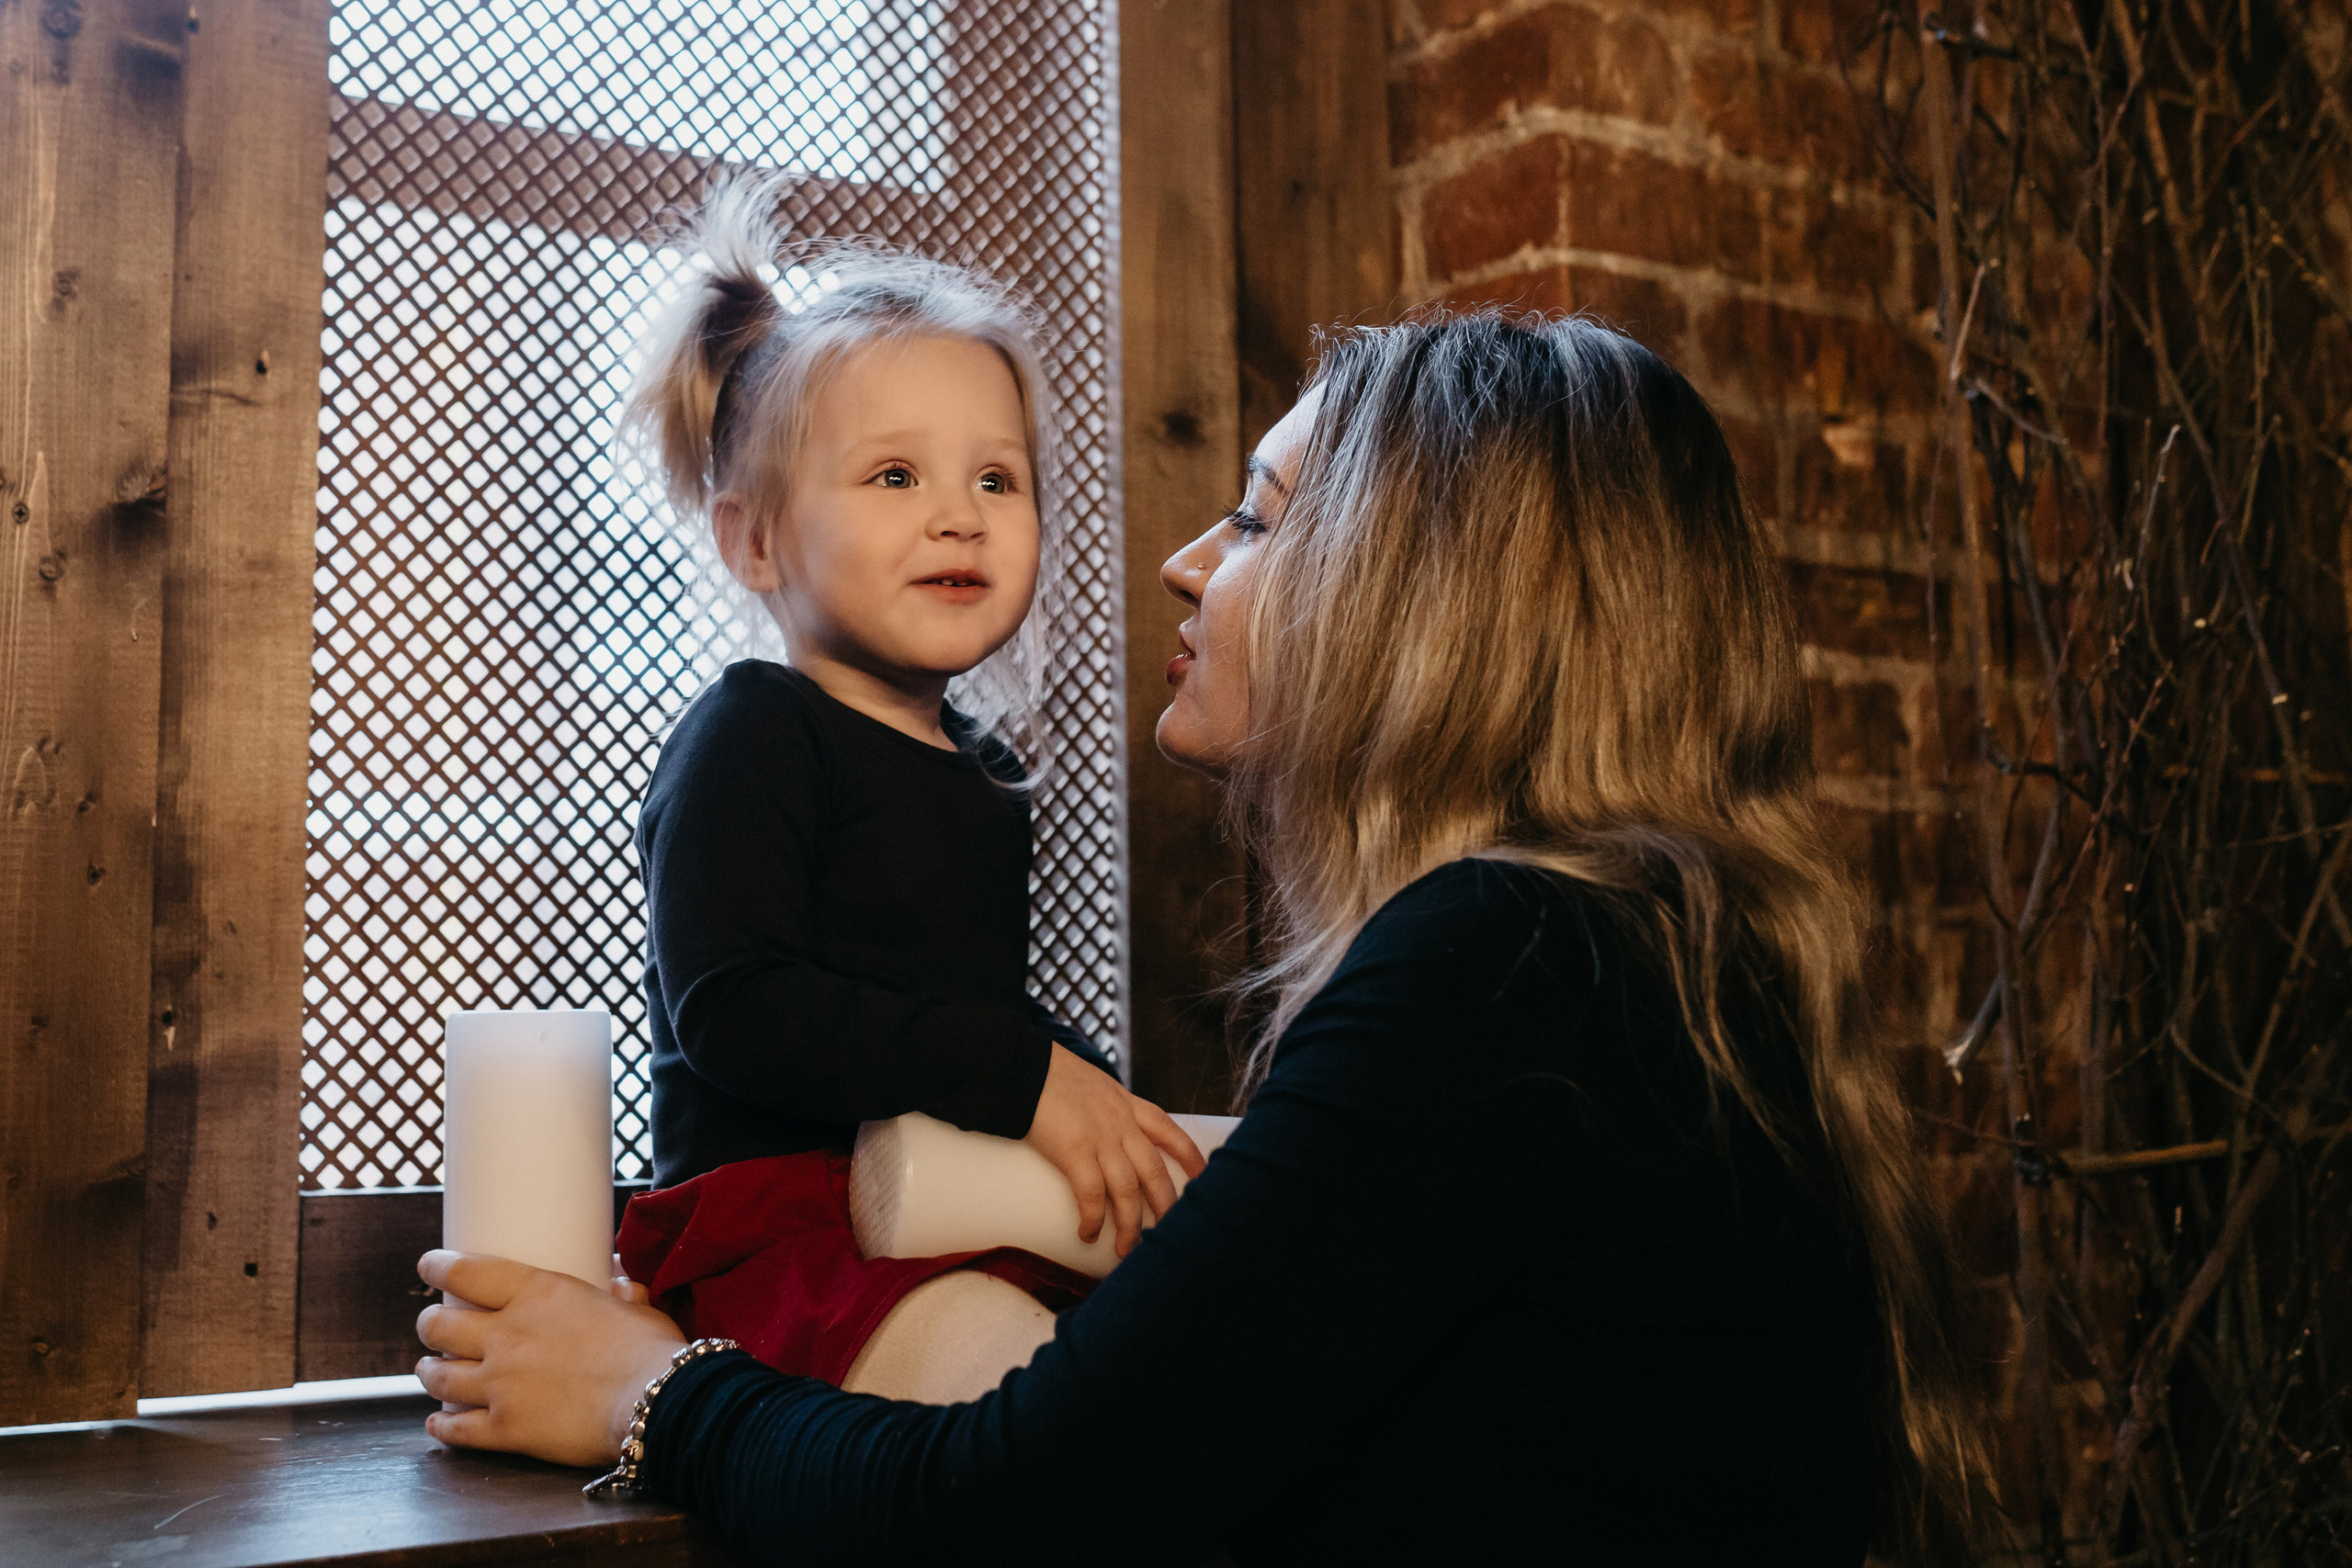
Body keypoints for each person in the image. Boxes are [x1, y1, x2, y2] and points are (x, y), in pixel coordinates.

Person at [415, 310, 1985, 1565]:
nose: (1184, 557)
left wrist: (650, 1396)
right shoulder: (1646, 960)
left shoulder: (1502, 963)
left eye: (1257, 515)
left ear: (1416, 602)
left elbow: (1019, 1507)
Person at [612, 180, 1202, 1389]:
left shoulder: (982, 772)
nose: (957, 518)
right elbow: (737, 1009)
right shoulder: (753, 736)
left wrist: (1090, 1096)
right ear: (756, 542)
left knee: (1180, 1352)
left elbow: (961, 1009)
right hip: (780, 1229)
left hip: (949, 1204)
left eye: (996, 480)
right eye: (894, 478)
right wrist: (1021, 1075)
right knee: (1007, 1379)